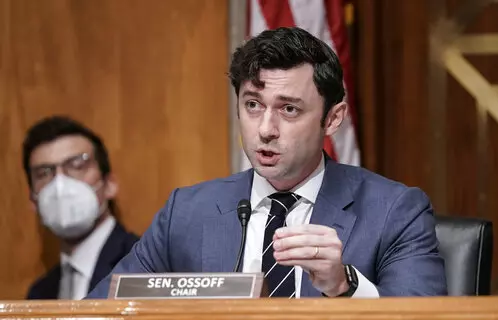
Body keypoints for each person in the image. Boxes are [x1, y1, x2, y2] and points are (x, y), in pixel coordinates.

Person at [87, 27, 447, 298]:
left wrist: (344, 284)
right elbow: (103, 312)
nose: (265, 130)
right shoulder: (185, 213)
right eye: (253, 105)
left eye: (289, 109)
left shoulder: (395, 212)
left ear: (333, 119)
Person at [24, 116, 138, 299]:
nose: (60, 184)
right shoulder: (39, 293)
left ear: (109, 184)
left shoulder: (144, 266)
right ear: (33, 200)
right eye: (43, 173)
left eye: (77, 165)